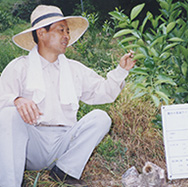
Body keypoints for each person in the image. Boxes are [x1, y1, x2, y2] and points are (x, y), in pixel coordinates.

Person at [0, 4, 136, 187]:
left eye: (68, 31)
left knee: (101, 118)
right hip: (31, 144)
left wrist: (121, 71)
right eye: (61, 30)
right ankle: (11, 182)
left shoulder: (74, 69)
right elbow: (2, 98)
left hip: (64, 143)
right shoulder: (19, 67)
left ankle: (64, 171)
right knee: (8, 114)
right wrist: (16, 100)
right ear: (41, 33)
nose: (67, 36)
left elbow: (104, 92)